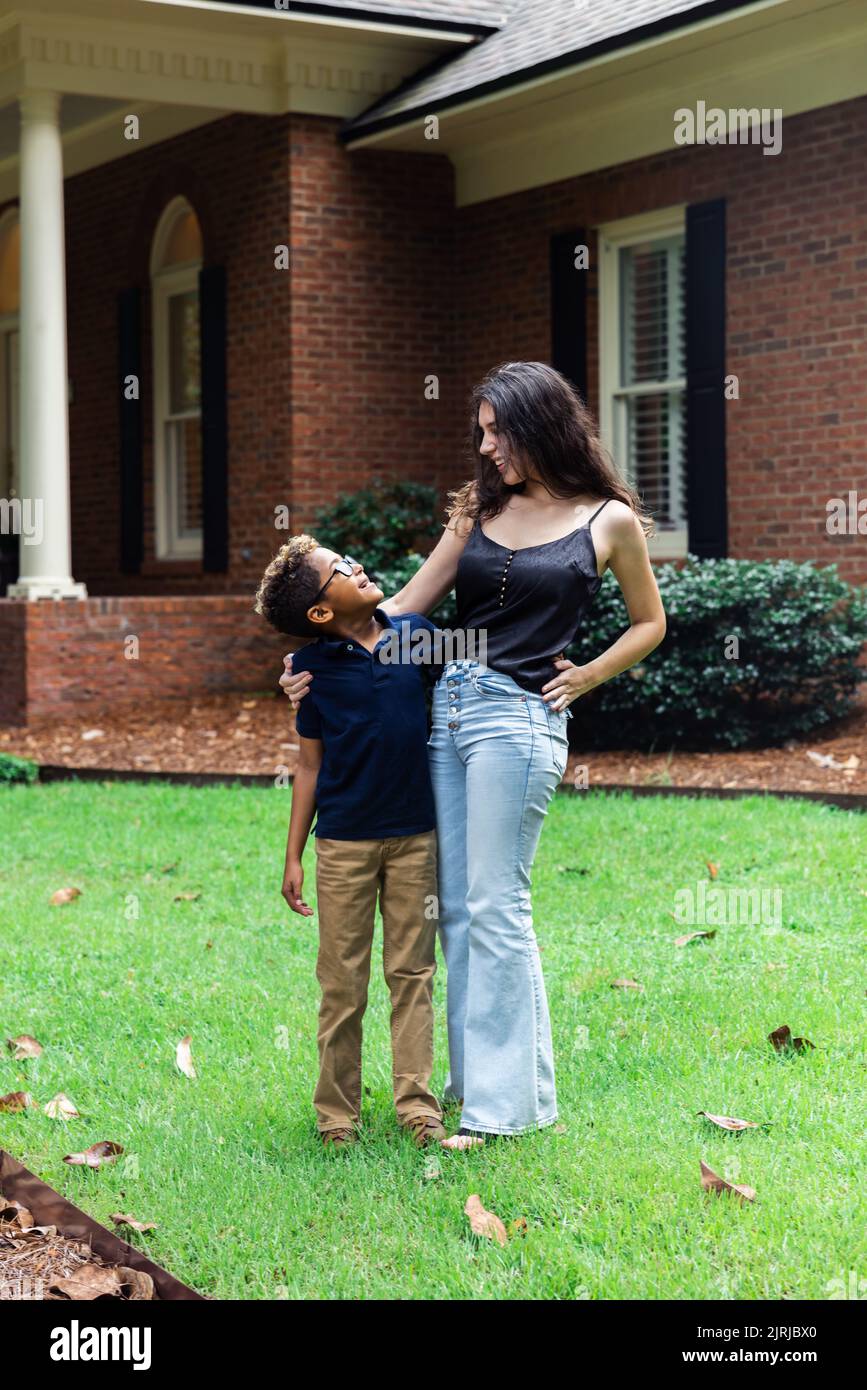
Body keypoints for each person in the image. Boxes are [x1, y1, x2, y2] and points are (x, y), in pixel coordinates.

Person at [281, 361, 667, 1149]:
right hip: (447, 711)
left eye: (498, 430)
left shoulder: (606, 521)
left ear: (541, 424)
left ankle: (500, 1113)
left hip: (517, 720)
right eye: (481, 432)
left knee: (496, 905)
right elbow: (400, 608)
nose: (486, 447)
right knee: (452, 906)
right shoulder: (478, 509)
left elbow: (647, 622)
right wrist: (308, 661)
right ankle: (472, 1090)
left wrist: (588, 675)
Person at [254, 535, 447, 1150]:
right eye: (339, 569)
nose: (356, 565)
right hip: (342, 846)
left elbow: (463, 685)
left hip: (416, 837)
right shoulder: (311, 673)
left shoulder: (414, 635)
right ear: (320, 612)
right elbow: (308, 766)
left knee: (412, 972)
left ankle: (418, 1107)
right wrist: (294, 852)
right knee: (342, 982)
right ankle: (337, 1118)